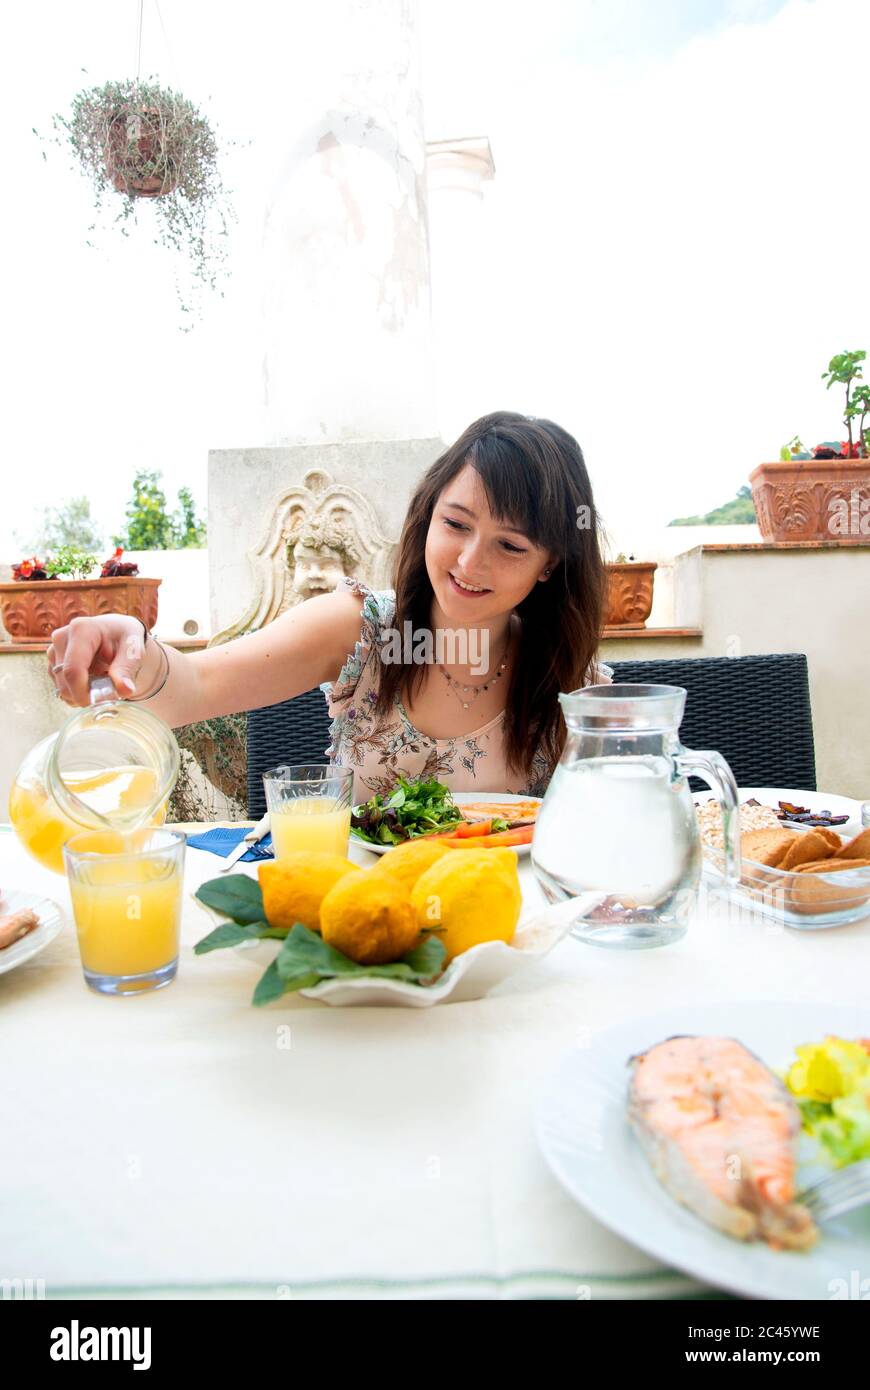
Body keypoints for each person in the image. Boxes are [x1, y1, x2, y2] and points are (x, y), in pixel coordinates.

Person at [47, 411, 610, 800]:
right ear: (428, 513)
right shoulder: (360, 630)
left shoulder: (575, 686)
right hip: (358, 930)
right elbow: (195, 685)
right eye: (455, 524)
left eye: (510, 545)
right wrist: (132, 649)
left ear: (551, 563)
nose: (468, 561)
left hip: (506, 944)